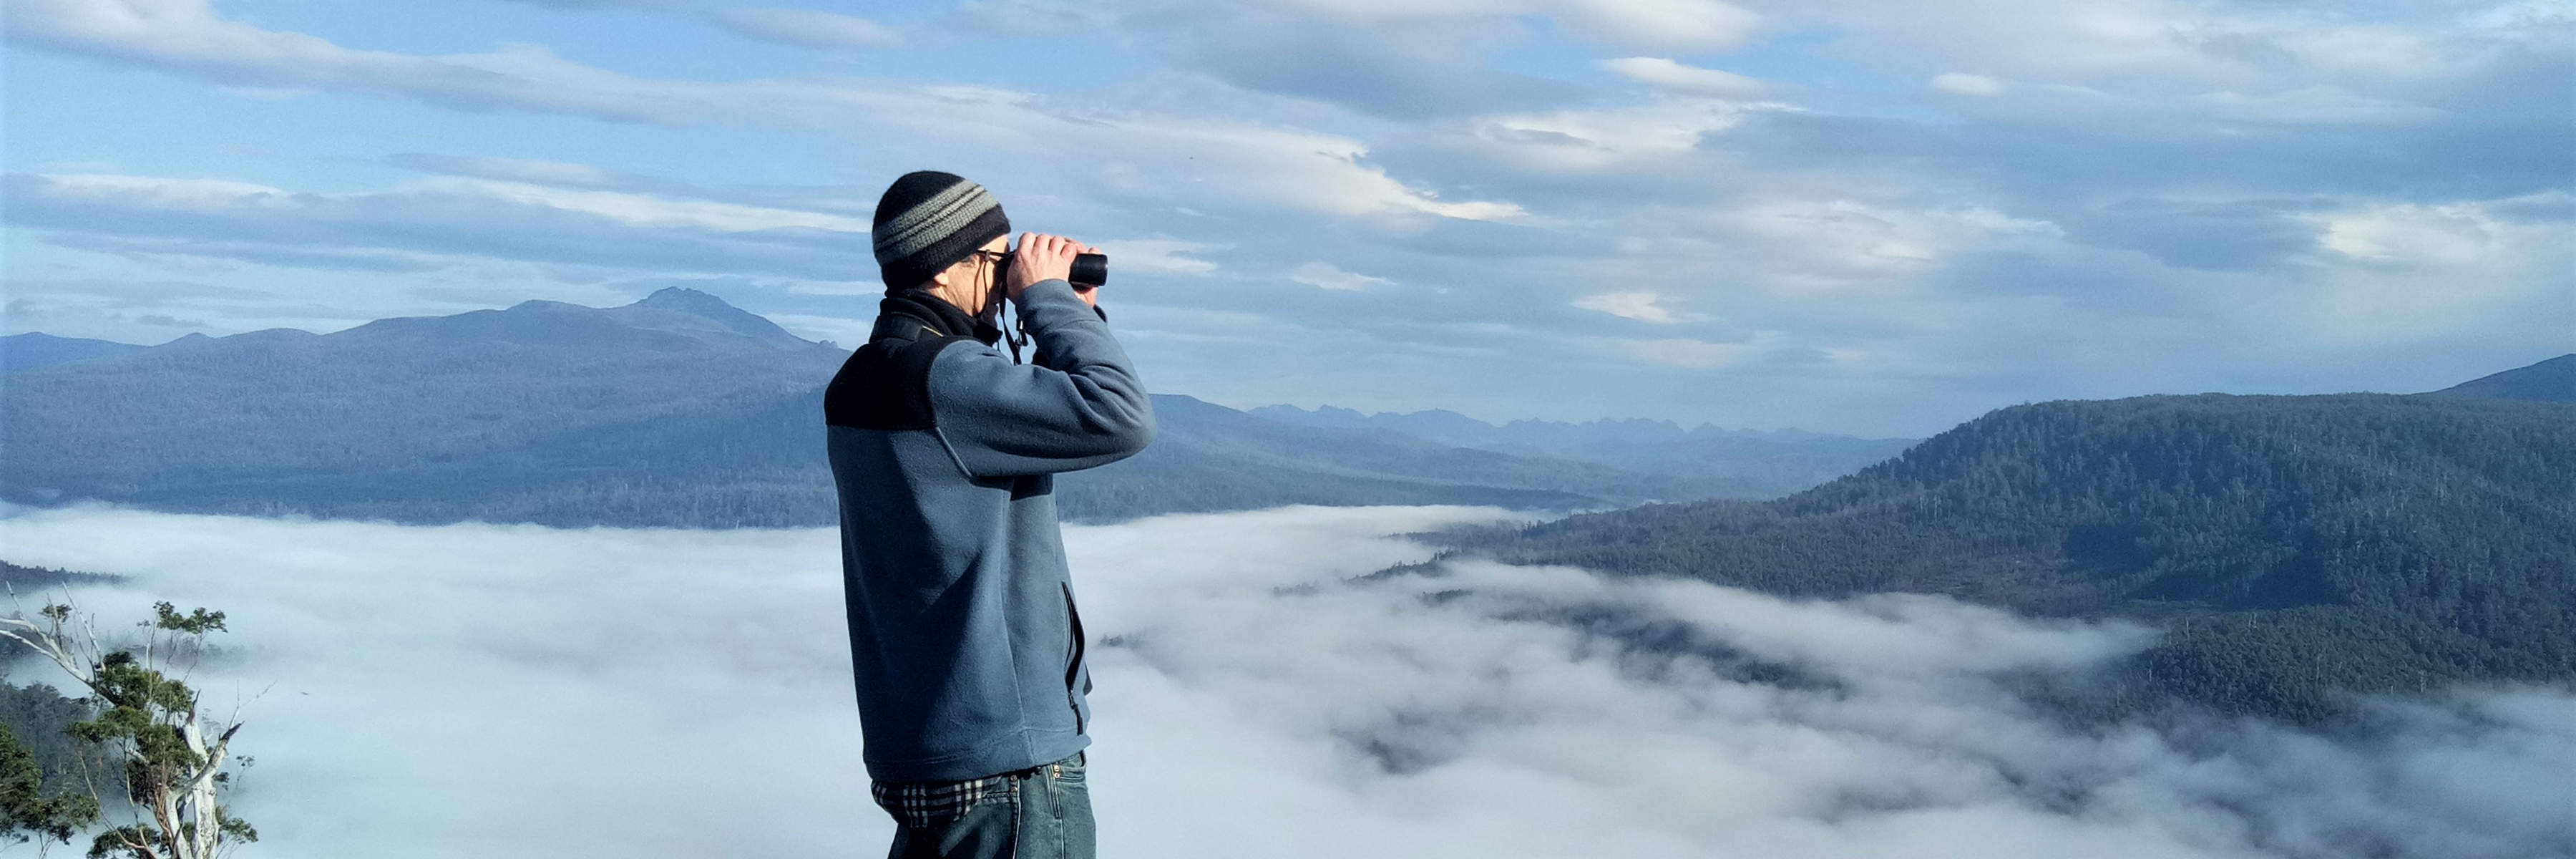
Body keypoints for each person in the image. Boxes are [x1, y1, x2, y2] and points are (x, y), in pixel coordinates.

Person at [823, 170, 1154, 859]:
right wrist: (1051, 304)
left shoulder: (861, 380)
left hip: (922, 750)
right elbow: (1120, 418)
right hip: (1009, 765)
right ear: (948, 268)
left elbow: (1020, 419)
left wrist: (1070, 311)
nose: (1008, 276)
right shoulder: (948, 380)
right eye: (997, 261)